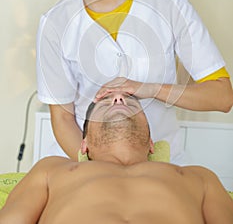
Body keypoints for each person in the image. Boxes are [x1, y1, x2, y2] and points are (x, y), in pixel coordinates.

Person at [36, 0, 233, 163]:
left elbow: (221, 97)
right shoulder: (55, 23)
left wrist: (149, 88)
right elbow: (62, 117)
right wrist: (94, 170)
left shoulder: (169, 1)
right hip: (84, 164)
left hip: (162, 163)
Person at [0, 92, 232, 223]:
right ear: (85, 144)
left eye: (131, 102)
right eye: (104, 103)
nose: (119, 99)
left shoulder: (200, 178)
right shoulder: (51, 170)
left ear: (152, 144)